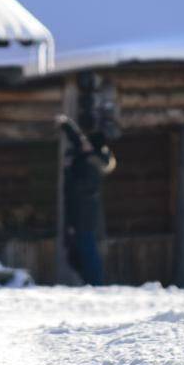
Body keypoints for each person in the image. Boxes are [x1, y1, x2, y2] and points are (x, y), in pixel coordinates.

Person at [57, 114, 116, 286]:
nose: (84, 144)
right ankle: (90, 281)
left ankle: (95, 283)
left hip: (84, 214)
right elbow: (79, 140)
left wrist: (68, 169)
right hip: (80, 212)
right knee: (78, 250)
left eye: (87, 143)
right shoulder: (89, 156)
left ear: (93, 147)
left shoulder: (92, 165)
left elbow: (77, 186)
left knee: (87, 249)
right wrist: (66, 125)